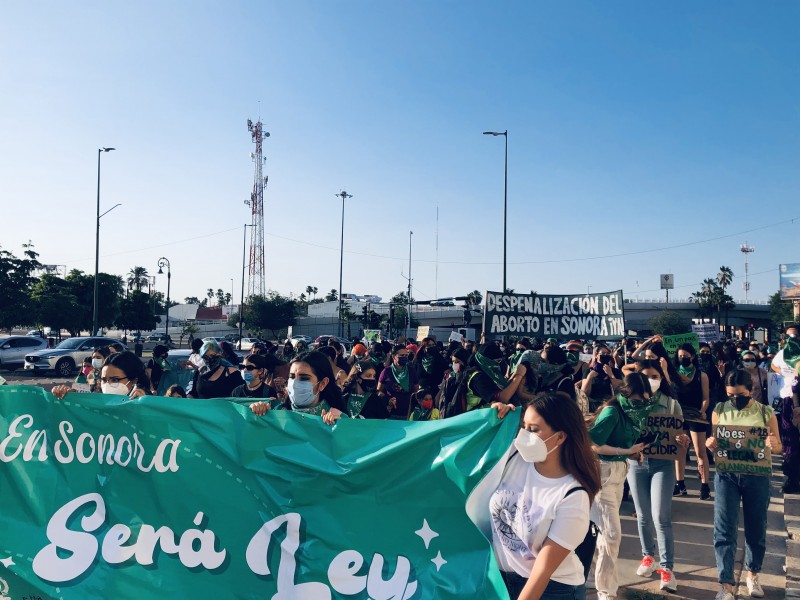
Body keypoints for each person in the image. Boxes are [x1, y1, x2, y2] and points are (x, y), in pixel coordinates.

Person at [475, 392, 601, 599]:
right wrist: (490, 418)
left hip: (552, 589)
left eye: (533, 430)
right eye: (524, 426)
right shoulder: (515, 456)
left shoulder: (573, 495)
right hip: (500, 578)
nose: (524, 435)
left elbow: (542, 570)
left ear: (560, 437)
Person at [706, 370, 781, 600]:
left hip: (756, 476)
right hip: (726, 475)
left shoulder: (765, 412)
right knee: (724, 528)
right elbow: (716, 442)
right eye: (730, 395)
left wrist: (773, 443)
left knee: (756, 527)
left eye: (740, 395)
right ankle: (726, 583)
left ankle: (753, 574)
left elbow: (777, 446)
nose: (735, 399)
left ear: (751, 391)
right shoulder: (719, 410)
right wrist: (711, 444)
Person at [627, 360, 690, 593]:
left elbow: (680, 435)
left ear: (661, 378)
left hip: (663, 464)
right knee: (642, 515)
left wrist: (683, 441)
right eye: (647, 376)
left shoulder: (672, 404)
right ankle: (647, 556)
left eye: (656, 375)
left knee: (661, 516)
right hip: (637, 464)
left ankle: (667, 568)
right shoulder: (630, 404)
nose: (652, 380)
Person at [588, 373, 653, 600]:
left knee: (607, 537)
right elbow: (593, 444)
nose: (641, 404)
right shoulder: (612, 411)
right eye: (637, 399)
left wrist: (633, 453)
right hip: (603, 474)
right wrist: (626, 452)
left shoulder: (634, 414)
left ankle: (604, 584)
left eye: (644, 400)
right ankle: (605, 591)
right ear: (625, 394)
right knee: (612, 535)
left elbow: (623, 442)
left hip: (619, 473)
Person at [249, 351, 345, 420]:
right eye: (291, 377)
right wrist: (257, 412)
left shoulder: (336, 417)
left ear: (323, 383)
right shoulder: (277, 412)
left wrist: (341, 427)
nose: (294, 384)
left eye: (304, 378)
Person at [673, 343, 711, 499]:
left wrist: (702, 411)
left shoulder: (701, 375)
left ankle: (705, 485)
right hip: (679, 416)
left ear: (693, 357)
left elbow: (706, 398)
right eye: (680, 356)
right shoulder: (674, 374)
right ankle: (680, 483)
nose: (683, 358)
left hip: (696, 415)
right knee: (680, 451)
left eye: (686, 356)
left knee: (700, 452)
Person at [52, 350, 150, 400]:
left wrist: (146, 405)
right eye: (103, 379)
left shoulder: (145, 402)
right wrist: (70, 397)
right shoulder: (97, 402)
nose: (107, 384)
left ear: (134, 381)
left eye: (115, 380)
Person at [772, 325, 800, 493]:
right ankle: (792, 478)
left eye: (795, 335)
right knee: (789, 441)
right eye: (789, 336)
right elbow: (774, 366)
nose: (792, 339)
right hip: (788, 401)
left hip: (796, 399)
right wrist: (783, 370)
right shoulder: (783, 354)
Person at [464, 343, 527, 411]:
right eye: (497, 361)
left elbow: (504, 387)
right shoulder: (478, 377)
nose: (498, 364)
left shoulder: (488, 372)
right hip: (478, 418)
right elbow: (502, 398)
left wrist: (515, 373)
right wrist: (519, 375)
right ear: (487, 361)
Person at [378, 344, 420, 419]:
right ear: (394, 356)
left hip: (408, 412)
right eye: (402, 355)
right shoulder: (386, 372)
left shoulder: (411, 371)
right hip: (391, 413)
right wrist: (388, 400)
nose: (404, 357)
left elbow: (416, 391)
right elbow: (378, 391)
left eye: (406, 355)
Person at [581, 345, 623, 413]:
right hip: (593, 407)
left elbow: (619, 391)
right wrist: (589, 378)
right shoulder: (589, 371)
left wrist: (611, 375)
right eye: (603, 353)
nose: (605, 355)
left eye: (607, 353)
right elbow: (584, 394)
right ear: (597, 355)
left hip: (610, 407)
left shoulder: (615, 371)